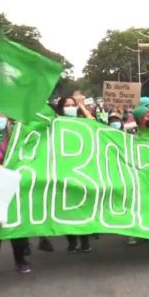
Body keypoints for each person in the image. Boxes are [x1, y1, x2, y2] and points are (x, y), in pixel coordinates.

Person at [0, 111, 31, 277]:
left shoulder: (16, 134)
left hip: (13, 184)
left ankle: (20, 260)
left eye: (2, 115)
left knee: (16, 221)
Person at [55, 96, 93, 253]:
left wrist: (81, 106)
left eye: (72, 105)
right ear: (61, 108)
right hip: (63, 169)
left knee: (83, 205)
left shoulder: (81, 120)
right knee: (65, 207)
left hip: (81, 169)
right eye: (67, 105)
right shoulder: (56, 122)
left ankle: (84, 240)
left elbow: (92, 121)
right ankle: (71, 240)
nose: (70, 108)